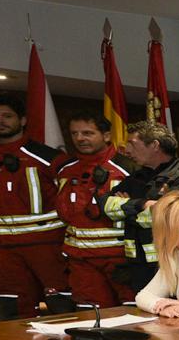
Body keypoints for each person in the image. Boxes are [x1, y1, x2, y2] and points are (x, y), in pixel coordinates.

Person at [0, 94, 71, 316]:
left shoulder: (49, 157)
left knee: (63, 304)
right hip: (1, 249)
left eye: (7, 116)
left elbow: (69, 202)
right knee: (11, 309)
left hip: (47, 246)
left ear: (23, 120)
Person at [104, 120, 179, 295]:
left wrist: (126, 209)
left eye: (132, 143)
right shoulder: (137, 177)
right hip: (137, 264)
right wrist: (142, 204)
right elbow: (105, 205)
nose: (126, 150)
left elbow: (169, 216)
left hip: (172, 262)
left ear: (154, 145)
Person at [54, 112, 132, 306]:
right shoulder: (65, 169)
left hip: (121, 258)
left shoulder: (129, 168)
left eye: (88, 133)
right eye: (75, 134)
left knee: (132, 314)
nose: (80, 139)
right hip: (80, 261)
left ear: (106, 136)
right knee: (91, 315)